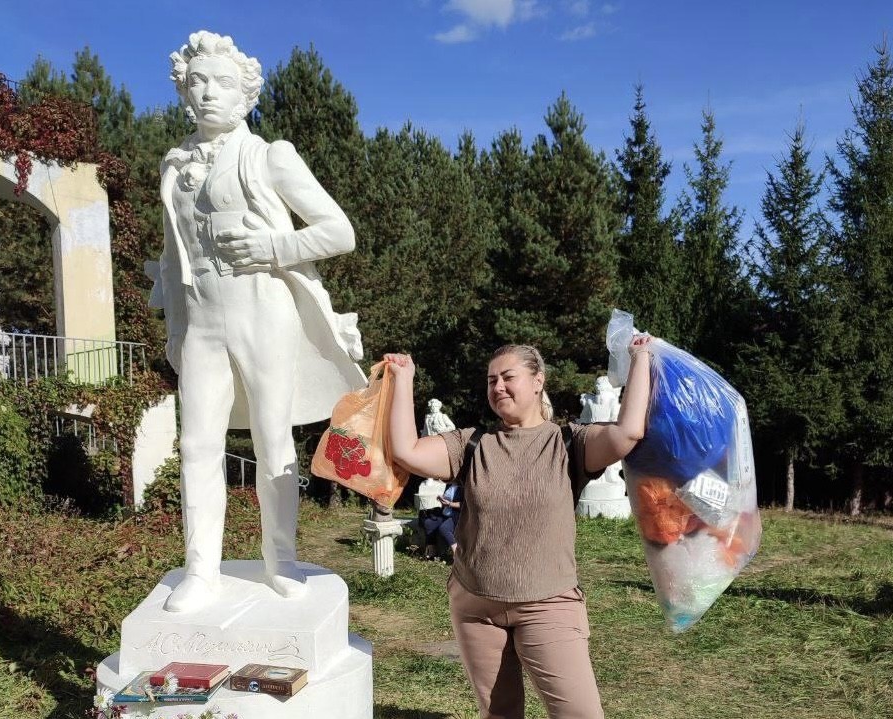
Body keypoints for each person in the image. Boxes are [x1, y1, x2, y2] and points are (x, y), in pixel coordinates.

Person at [151, 30, 366, 612]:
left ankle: (282, 557)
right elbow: (173, 259)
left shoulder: (270, 155)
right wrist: (174, 328)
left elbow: (338, 231)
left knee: (274, 439)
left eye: (222, 83)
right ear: (183, 91)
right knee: (196, 442)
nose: (208, 93)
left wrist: (275, 246)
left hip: (262, 314)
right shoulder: (173, 165)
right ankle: (202, 568)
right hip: (201, 325)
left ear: (245, 94)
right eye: (197, 82)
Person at [384, 338, 653, 719]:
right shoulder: (472, 444)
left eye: (508, 377)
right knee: (500, 713)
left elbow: (627, 432)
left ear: (538, 381)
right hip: (476, 606)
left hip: (548, 605)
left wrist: (640, 357)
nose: (498, 387)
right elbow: (406, 451)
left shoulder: (568, 443)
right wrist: (404, 377)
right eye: (491, 380)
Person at [421, 479, 463, 559]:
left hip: (458, 515)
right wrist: (440, 499)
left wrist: (450, 504)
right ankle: (432, 551)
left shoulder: (464, 486)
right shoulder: (449, 485)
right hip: (445, 513)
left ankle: (456, 553)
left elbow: (464, 504)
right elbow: (445, 499)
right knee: (429, 523)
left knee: (444, 528)